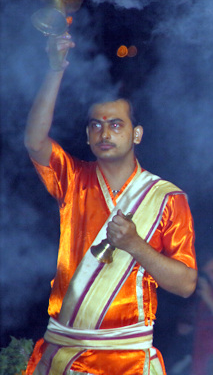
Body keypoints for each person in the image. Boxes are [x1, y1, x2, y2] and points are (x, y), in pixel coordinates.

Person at [24, 33, 198, 374]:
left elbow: (186, 284)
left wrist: (134, 245)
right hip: (66, 354)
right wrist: (54, 69)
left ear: (136, 134)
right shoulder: (74, 178)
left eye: (116, 125)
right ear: (88, 136)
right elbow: (34, 141)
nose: (105, 134)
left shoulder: (167, 198)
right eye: (97, 126)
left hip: (128, 358)